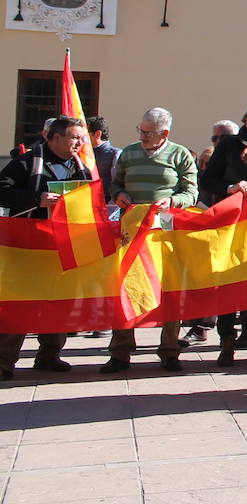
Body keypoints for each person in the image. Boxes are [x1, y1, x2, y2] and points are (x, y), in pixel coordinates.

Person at [103, 108, 198, 374]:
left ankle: (169, 350)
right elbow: (115, 184)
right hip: (131, 229)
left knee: (169, 287)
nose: (142, 136)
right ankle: (120, 352)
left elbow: (191, 192)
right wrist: (119, 193)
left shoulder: (180, 155)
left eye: (148, 133)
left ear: (164, 134)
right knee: (126, 285)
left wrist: (172, 201)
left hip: (165, 231)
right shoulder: (129, 153)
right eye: (141, 130)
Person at [0, 116, 89, 378]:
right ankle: (4, 362)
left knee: (58, 301)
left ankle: (49, 355)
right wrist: (36, 199)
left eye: (81, 138)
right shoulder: (26, 162)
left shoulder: (82, 167)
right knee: (20, 304)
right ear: (55, 137)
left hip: (63, 246)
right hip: (29, 247)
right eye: (74, 137)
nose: (79, 142)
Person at [200, 102, 247, 367]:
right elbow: (207, 180)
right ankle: (227, 343)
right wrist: (231, 187)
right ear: (246, 120)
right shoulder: (230, 145)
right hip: (232, 226)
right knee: (230, 283)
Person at [86, 115, 119, 201]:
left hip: (107, 205)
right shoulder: (84, 153)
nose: (83, 137)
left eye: (86, 134)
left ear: (97, 134)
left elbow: (117, 184)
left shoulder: (115, 154)